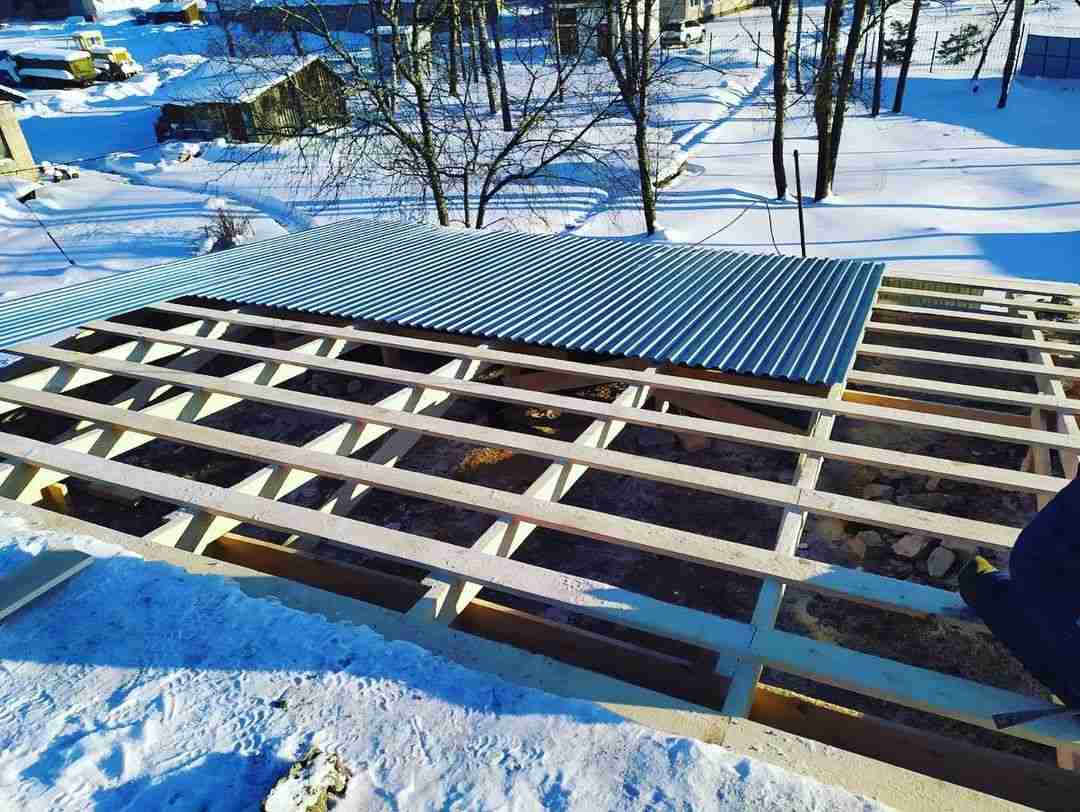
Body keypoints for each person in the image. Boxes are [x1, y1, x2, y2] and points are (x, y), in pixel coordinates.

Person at [959, 476, 1080, 709]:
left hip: (1051, 562)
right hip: (1048, 568)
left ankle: (985, 584)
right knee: (1071, 678)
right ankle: (985, 587)